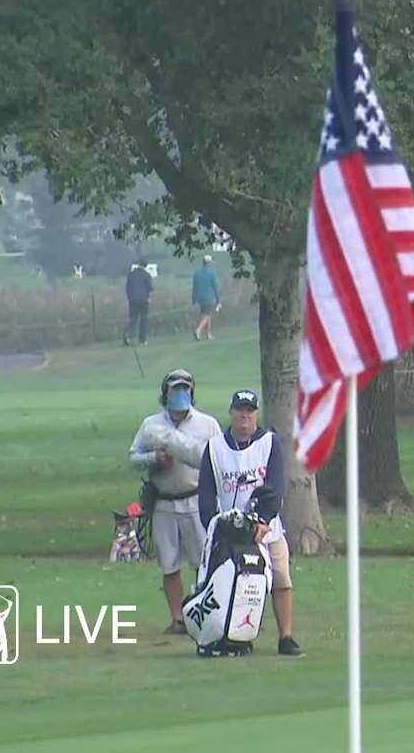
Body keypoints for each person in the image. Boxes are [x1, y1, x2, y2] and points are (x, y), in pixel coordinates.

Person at [199, 389, 303, 656]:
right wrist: (215, 527)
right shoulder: (214, 448)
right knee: (229, 586)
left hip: (266, 530)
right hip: (229, 531)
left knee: (281, 579)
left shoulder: (269, 442)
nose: (245, 416)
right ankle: (232, 636)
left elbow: (275, 486)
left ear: (256, 414)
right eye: (240, 410)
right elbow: (207, 495)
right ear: (231, 412)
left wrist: (264, 520)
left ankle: (286, 637)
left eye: (250, 411)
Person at [129, 368, 221, 635]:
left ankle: (205, 614)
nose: (180, 393)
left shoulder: (207, 424)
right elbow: (133, 458)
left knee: (202, 562)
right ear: (165, 393)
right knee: (169, 564)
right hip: (164, 503)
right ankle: (178, 618)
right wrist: (154, 459)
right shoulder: (151, 426)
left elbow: (217, 458)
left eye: (185, 388)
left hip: (195, 500)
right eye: (175, 389)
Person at [192, 254, 221, 341]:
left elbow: (194, 286)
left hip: (200, 297)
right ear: (209, 263)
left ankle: (208, 334)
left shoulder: (197, 273)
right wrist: (218, 300)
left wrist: (193, 299)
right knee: (207, 315)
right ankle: (198, 330)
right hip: (209, 296)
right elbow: (215, 287)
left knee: (205, 314)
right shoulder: (211, 273)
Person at [124, 259, 153, 346]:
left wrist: (129, 297)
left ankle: (128, 337)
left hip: (132, 300)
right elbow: (150, 287)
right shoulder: (146, 275)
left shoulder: (131, 274)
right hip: (143, 300)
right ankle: (142, 340)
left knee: (132, 319)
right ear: (145, 266)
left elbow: (127, 288)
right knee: (143, 320)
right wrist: (148, 296)